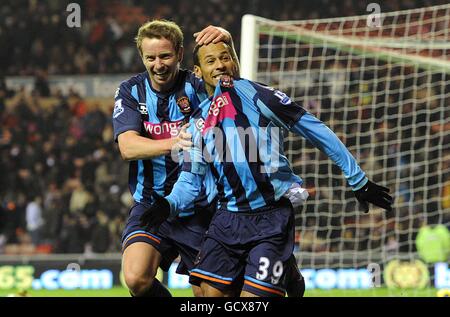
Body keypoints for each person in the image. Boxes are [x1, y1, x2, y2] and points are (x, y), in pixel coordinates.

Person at [140, 41, 393, 297]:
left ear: (234, 62)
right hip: (226, 219)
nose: (220, 65)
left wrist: (358, 180)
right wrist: (168, 204)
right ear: (197, 71)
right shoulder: (196, 123)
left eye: (225, 57)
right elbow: (190, 181)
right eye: (211, 61)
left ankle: (284, 269)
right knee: (206, 296)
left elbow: (315, 130)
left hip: (270, 218)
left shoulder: (260, 96)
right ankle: (287, 270)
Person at [113, 20, 236, 297]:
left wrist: (228, 43)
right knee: (136, 279)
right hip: (152, 203)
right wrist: (174, 143)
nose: (158, 64)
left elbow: (232, 84)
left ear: (180, 54)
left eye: (165, 56)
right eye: (151, 57)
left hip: (201, 208)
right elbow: (127, 147)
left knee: (210, 295)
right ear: (142, 58)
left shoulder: (197, 84)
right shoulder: (131, 91)